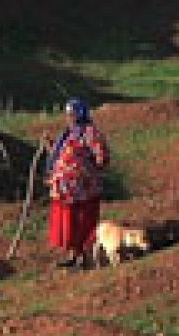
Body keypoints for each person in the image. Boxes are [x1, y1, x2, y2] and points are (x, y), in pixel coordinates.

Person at [43, 98, 109, 269]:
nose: (68, 117)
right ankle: (73, 255)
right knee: (69, 224)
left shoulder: (90, 133)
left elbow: (102, 158)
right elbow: (61, 156)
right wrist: (51, 147)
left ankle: (85, 258)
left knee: (82, 223)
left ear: (80, 114)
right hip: (65, 190)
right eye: (67, 114)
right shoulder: (68, 134)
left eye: (71, 114)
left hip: (83, 190)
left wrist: (85, 170)